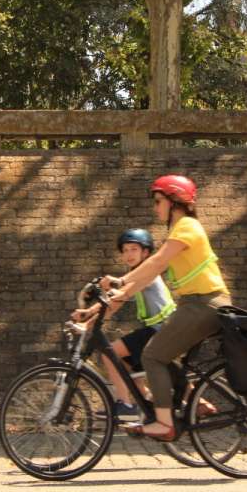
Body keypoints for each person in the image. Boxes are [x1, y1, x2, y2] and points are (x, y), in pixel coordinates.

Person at [102, 175, 231, 441]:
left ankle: (164, 423)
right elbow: (148, 275)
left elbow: (157, 262)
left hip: (204, 304)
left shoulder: (187, 226)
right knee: (162, 357)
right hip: (195, 305)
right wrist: (115, 294)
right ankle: (182, 404)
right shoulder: (179, 231)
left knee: (151, 356)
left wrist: (122, 280)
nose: (156, 207)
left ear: (175, 202)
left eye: (159, 201)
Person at [71, 229, 176, 421]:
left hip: (163, 328)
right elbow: (114, 304)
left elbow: (116, 299)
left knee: (110, 354)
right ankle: (148, 411)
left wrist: (89, 319)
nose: (128, 254)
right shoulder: (134, 274)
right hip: (156, 329)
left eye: (134, 249)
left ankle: (125, 406)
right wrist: (89, 315)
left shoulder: (147, 273)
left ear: (145, 253)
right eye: (125, 250)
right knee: (126, 368)